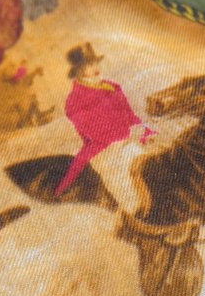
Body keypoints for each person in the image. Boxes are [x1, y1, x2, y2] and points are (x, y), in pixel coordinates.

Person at [54, 42, 156, 197]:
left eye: (95, 63)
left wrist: (145, 132)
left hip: (129, 138)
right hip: (102, 147)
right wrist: (128, 135)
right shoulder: (74, 100)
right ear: (79, 71)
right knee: (127, 169)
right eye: (89, 65)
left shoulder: (112, 86)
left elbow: (130, 116)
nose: (95, 67)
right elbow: (94, 133)